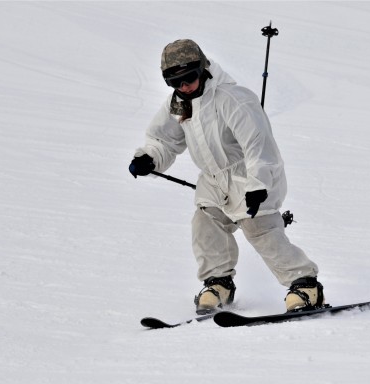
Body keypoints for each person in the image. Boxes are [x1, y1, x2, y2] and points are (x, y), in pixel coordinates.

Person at [129, 39, 325, 314]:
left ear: (202, 69)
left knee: (261, 230)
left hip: (250, 175)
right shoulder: (179, 103)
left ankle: (305, 285)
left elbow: (259, 146)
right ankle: (218, 283)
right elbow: (164, 139)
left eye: (188, 78)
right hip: (213, 180)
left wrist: (258, 185)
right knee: (205, 222)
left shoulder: (232, 98)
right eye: (174, 82)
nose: (183, 87)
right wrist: (150, 157)